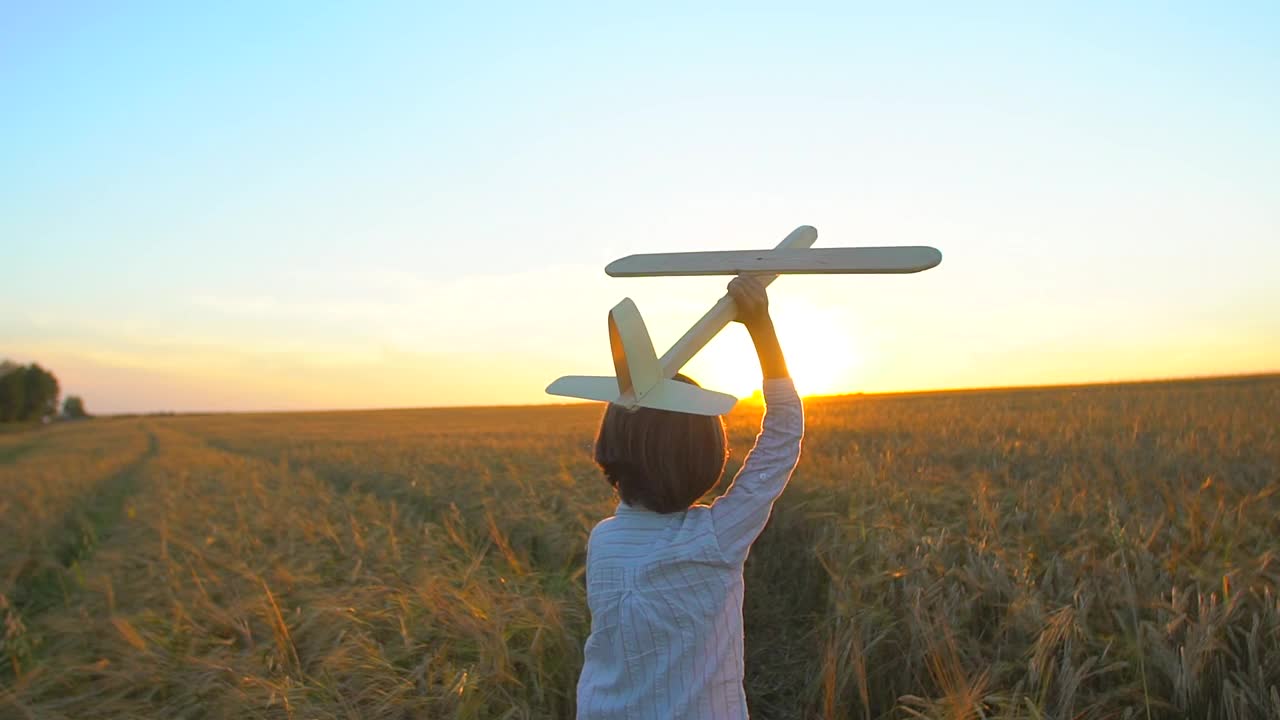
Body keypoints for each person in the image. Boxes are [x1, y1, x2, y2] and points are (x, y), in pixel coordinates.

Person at [577, 275, 805, 719]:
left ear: (610, 442)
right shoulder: (715, 538)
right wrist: (761, 327)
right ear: (706, 456)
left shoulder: (603, 542)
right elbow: (783, 434)